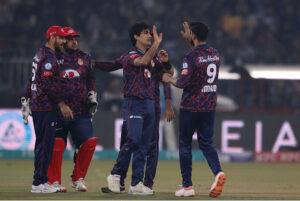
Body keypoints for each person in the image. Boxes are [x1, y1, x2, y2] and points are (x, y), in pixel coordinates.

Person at [104, 22, 171, 195]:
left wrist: (174, 77)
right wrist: (156, 44)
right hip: (134, 102)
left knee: (143, 145)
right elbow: (143, 60)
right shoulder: (131, 54)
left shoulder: (154, 58)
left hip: (150, 102)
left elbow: (165, 74)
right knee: (133, 140)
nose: (149, 35)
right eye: (145, 33)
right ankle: (115, 174)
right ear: (136, 36)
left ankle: (136, 184)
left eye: (150, 33)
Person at [162, 21, 226, 198]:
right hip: (209, 105)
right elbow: (200, 56)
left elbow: (182, 82)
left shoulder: (189, 58)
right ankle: (218, 172)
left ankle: (188, 187)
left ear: (194, 35)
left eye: (189, 32)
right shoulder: (214, 54)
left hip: (191, 106)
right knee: (206, 143)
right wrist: (189, 41)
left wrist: (169, 79)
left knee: (185, 145)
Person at [21, 25, 74, 193]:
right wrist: (61, 104)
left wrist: (26, 97)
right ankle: (39, 183)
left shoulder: (40, 53)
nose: (64, 41)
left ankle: (42, 180)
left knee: (44, 144)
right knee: (45, 145)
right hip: (45, 106)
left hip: (40, 104)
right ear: (52, 38)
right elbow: (46, 83)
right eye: (61, 38)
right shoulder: (49, 57)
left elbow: (32, 78)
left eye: (65, 38)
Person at [46, 27, 98, 192]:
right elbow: (47, 82)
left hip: (81, 110)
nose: (74, 42)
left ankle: (78, 178)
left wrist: (92, 94)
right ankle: (53, 181)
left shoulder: (84, 57)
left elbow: (90, 79)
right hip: (58, 110)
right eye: (70, 39)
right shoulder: (53, 57)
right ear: (62, 41)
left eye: (76, 39)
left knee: (89, 142)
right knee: (57, 144)